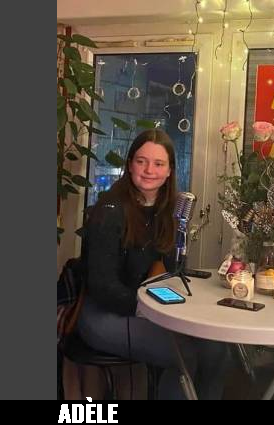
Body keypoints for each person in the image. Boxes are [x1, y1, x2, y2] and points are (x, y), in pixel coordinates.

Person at [77, 129, 229, 400]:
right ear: (130, 165)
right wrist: (149, 310)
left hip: (148, 309)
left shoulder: (169, 212)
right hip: (104, 315)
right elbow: (102, 286)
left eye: (158, 164)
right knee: (185, 354)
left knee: (217, 349)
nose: (149, 170)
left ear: (169, 171)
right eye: (141, 161)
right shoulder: (110, 210)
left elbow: (168, 273)